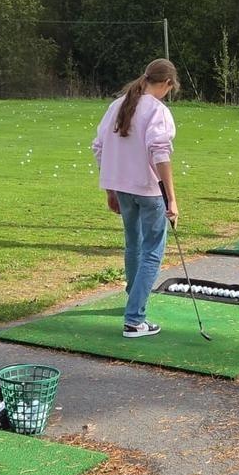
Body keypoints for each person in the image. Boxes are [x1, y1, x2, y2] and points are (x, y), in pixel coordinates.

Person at [93, 59, 179, 338]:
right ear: (166, 84)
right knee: (152, 251)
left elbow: (99, 148)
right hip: (149, 191)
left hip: (123, 189)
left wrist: (110, 189)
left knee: (134, 246)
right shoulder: (157, 110)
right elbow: (161, 154)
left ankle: (133, 300)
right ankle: (134, 318)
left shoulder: (117, 105)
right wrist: (172, 199)